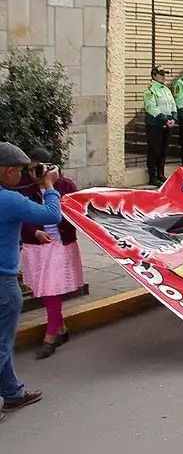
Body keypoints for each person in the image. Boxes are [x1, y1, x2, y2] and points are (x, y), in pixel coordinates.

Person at [0, 142, 62, 422]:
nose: (22, 176)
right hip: (3, 282)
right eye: (19, 171)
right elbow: (51, 215)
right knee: (1, 344)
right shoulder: (9, 200)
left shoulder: (10, 197)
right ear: (9, 171)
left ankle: (13, 394)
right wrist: (48, 186)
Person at [18, 147, 83, 360]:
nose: (32, 174)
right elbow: (19, 216)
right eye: (30, 169)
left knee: (51, 290)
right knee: (46, 290)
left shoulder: (65, 185)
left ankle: (50, 336)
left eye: (37, 169)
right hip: (36, 245)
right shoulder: (24, 187)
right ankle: (61, 329)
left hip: (61, 244)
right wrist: (34, 231)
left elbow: (78, 212)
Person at [142, 65, 177, 186]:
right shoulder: (150, 90)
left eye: (164, 74)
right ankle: (153, 176)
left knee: (163, 151)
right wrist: (165, 119)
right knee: (154, 150)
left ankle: (161, 174)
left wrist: (173, 117)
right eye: (161, 74)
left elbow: (173, 105)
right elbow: (152, 108)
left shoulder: (166, 90)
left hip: (167, 124)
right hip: (155, 125)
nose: (163, 77)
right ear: (154, 75)